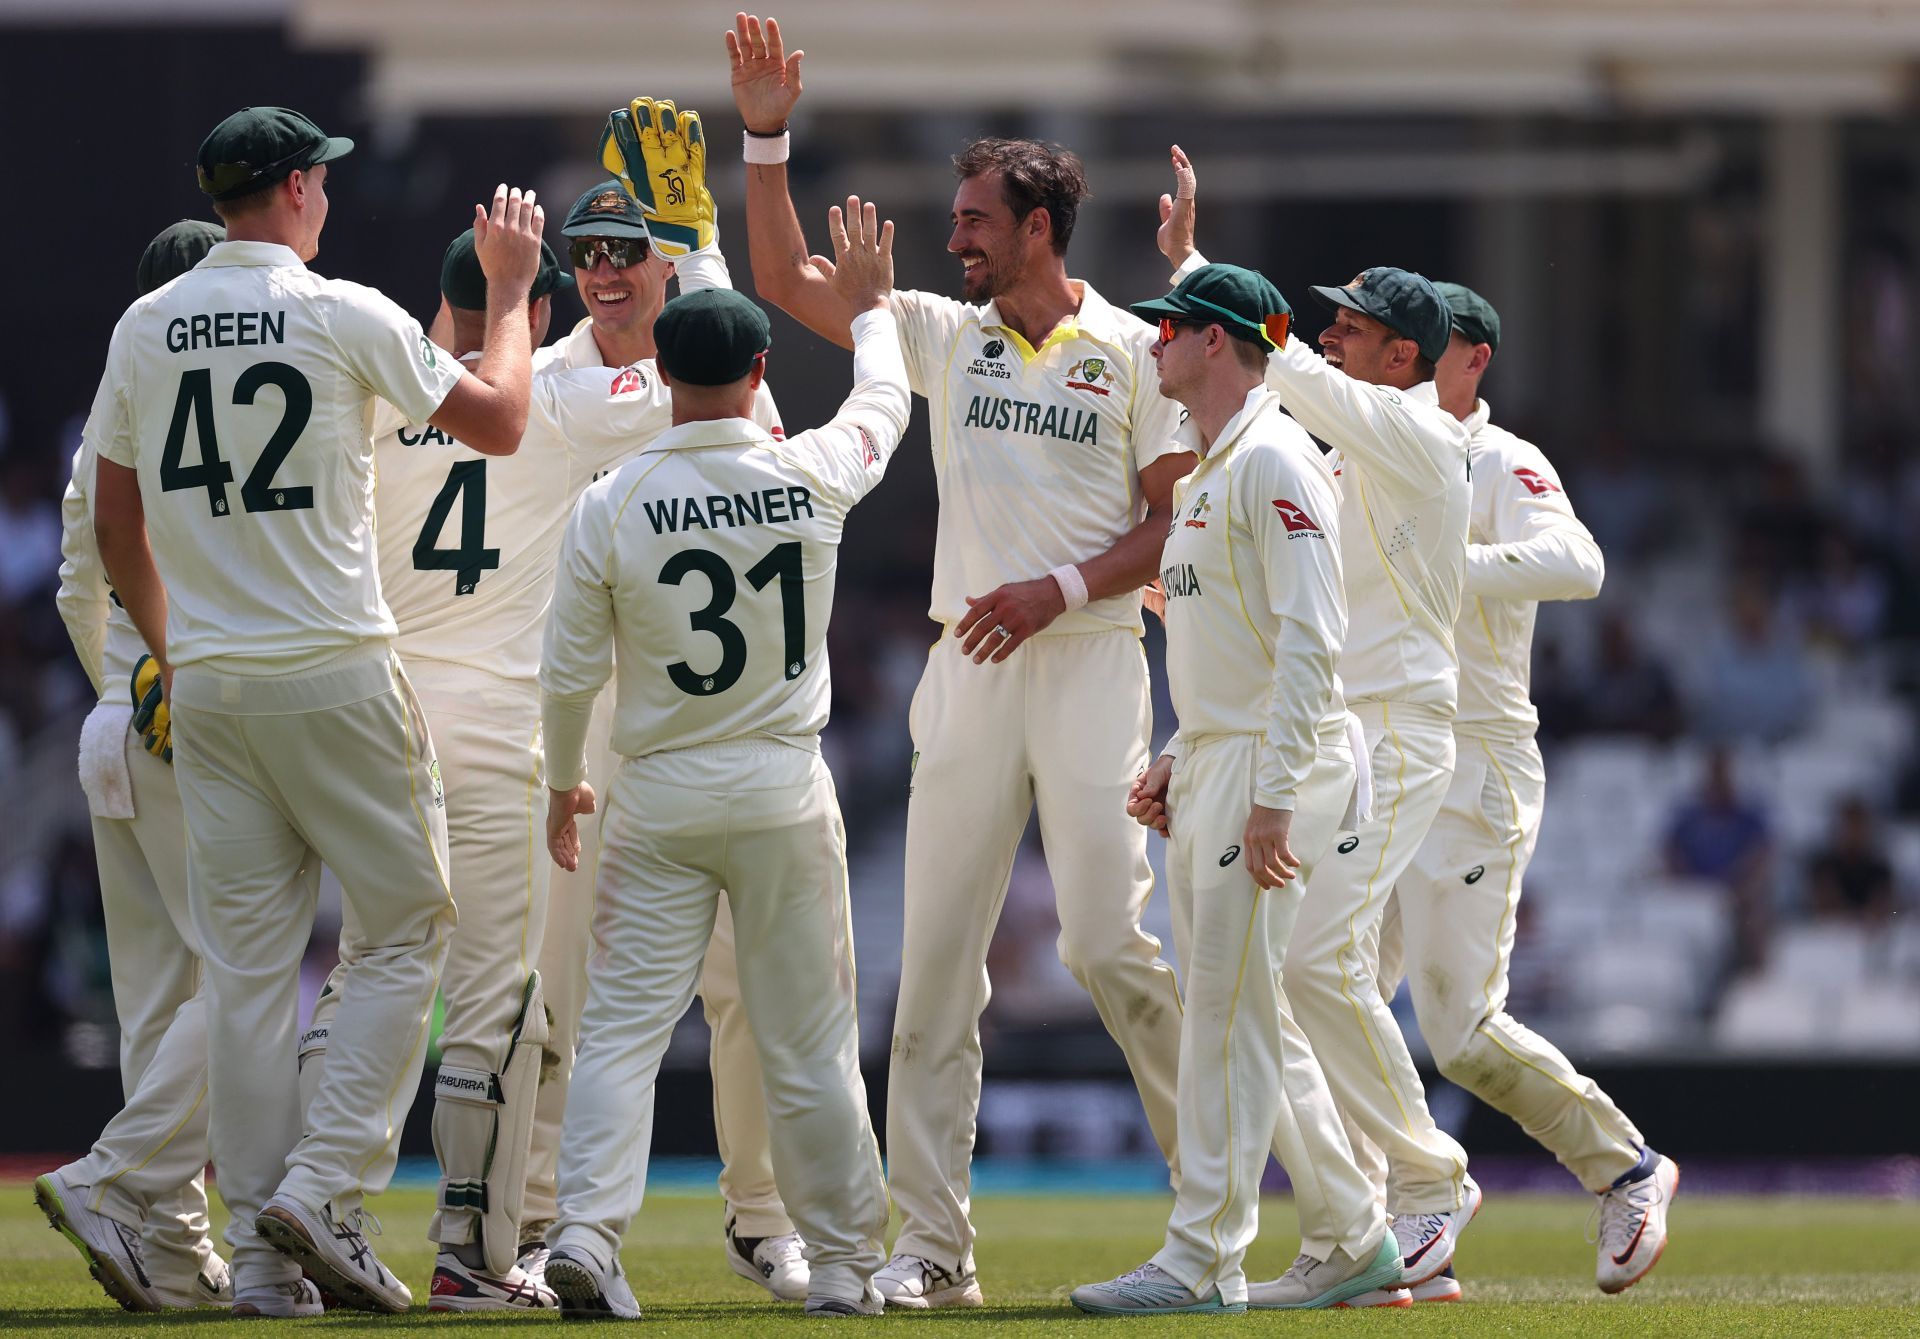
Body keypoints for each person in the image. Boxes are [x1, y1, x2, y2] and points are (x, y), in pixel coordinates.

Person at [728, 16, 1190, 1305]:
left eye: (977, 220)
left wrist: (1057, 590)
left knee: (1108, 946)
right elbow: (784, 281)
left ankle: (1207, 1217)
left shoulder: (1140, 353)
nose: (956, 238)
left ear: (1039, 227)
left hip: (1092, 656)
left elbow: (1171, 522)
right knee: (933, 969)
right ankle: (932, 1248)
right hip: (971, 669)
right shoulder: (939, 328)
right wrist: (767, 140)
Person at [87, 104, 545, 1316]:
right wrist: (507, 294)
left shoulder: (147, 321)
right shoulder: (338, 307)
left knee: (243, 977)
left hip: (216, 686)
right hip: (336, 666)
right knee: (408, 926)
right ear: (294, 190)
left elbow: (113, 520)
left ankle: (252, 1257)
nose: (328, 197)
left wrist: (174, 651)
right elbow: (499, 420)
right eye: (322, 180)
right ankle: (326, 1187)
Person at [536, 197, 903, 1320]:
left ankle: (589, 1235)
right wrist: (874, 309)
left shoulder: (612, 501)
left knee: (620, 1036)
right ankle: (840, 1263)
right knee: (808, 1041)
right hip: (783, 786)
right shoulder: (812, 472)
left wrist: (563, 784)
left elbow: (563, 675)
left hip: (657, 794)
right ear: (757, 371)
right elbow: (884, 402)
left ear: (660, 367)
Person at [1163, 149, 1480, 1293]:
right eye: (1326, 322)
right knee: (1294, 971)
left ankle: (1423, 1190)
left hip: (1390, 726)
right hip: (1339, 726)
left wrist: (1206, 277)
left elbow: (1292, 376)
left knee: (1316, 965)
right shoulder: (1342, 449)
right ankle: (1369, 1220)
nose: (1330, 335)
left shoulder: (1422, 430)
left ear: (1408, 355)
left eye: (1350, 326)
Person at [1070, 265, 1401, 1313]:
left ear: (1215, 343)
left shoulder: (1275, 458)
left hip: (1273, 767)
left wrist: (1271, 790)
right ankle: (1354, 1236)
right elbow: (1236, 642)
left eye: (1169, 326)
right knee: (1246, 1016)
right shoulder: (1214, 469)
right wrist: (1183, 751)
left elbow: (1314, 637)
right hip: (1226, 756)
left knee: (1225, 1022)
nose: (1154, 340)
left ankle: (1203, 1260)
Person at [517, 164, 811, 1302]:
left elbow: (765, 439)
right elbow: (687, 395)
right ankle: (545, 1227)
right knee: (567, 985)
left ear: (659, 265)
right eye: (584, 255)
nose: (599, 273)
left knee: (748, 983)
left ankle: (762, 1218)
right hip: (588, 711)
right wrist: (702, 250)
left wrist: (703, 253)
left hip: (707, 710)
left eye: (621, 252)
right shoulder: (544, 383)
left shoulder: (706, 374)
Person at [1360, 283, 1674, 1301]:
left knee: (1460, 1032)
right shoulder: (1365, 449)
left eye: (1422, 347)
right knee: (1330, 994)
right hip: (1377, 754)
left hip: (1472, 759)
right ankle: (1394, 1217)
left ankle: (1624, 1166)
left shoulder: (1501, 459)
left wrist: (1451, 568)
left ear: (1472, 360)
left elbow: (1578, 562)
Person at [37, 220, 233, 1316]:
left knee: (159, 998)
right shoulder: (209, 398)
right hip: (189, 713)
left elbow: (79, 584)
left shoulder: (102, 420)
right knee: (242, 976)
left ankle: (169, 1243)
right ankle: (124, 1182)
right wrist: (170, 672)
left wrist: (124, 678)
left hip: (116, 720)